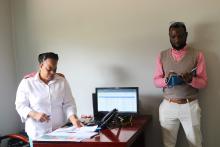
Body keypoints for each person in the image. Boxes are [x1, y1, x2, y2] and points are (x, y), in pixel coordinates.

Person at [153, 22, 207, 147]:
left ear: (186, 35)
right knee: (168, 144)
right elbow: (156, 81)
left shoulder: (198, 54)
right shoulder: (162, 55)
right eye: (173, 36)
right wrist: (166, 80)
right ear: (169, 36)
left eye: (180, 36)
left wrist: (191, 80)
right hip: (168, 105)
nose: (177, 39)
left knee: (195, 144)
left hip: (190, 105)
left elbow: (204, 83)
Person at [15, 52, 82, 146]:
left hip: (60, 133)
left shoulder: (61, 81)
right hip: (37, 134)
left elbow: (68, 103)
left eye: (55, 69)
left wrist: (73, 118)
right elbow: (20, 105)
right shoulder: (27, 83)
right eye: (49, 69)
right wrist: (34, 114)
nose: (52, 73)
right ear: (41, 65)